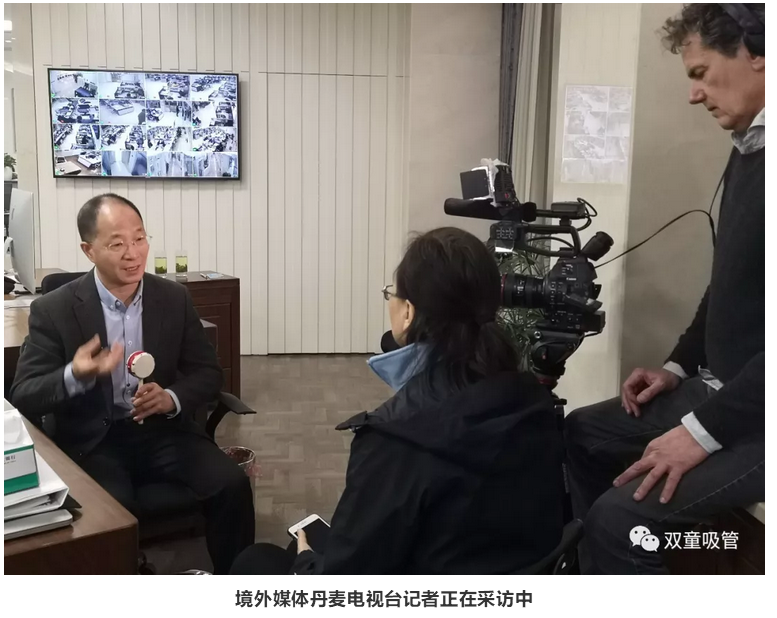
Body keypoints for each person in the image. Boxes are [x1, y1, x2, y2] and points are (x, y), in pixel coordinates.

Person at [230, 227, 565, 575]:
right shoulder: (533, 400)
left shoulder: (395, 439)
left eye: (391, 293)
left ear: (408, 312)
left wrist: (305, 560)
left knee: (257, 560)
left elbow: (346, 580)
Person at [564, 3, 764, 575]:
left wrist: (700, 433)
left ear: (757, 52)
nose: (693, 95)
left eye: (700, 74)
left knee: (620, 521)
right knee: (583, 433)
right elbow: (730, 282)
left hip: (760, 418)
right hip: (728, 390)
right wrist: (677, 366)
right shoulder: (750, 148)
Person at [10, 193, 255, 574]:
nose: (133, 253)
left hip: (164, 432)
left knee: (232, 484)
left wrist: (171, 397)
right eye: (117, 244)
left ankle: (237, 583)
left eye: (139, 239)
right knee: (112, 515)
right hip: (94, 441)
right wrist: (75, 374)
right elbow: (24, 395)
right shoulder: (54, 310)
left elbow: (209, 373)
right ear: (89, 250)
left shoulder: (173, 298)